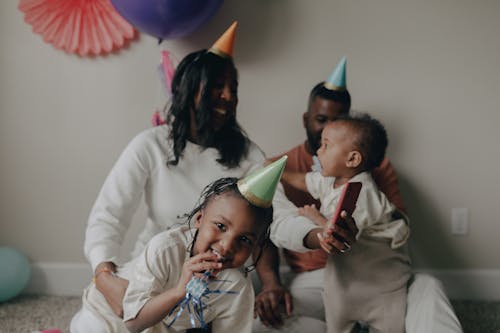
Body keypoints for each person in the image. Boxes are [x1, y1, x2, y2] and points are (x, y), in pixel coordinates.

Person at [82, 21, 358, 330]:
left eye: (233, 89)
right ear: (187, 91)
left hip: (222, 274)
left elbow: (277, 219)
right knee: (95, 326)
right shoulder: (150, 145)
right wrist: (104, 276)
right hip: (157, 269)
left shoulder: (249, 156)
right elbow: (108, 216)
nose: (228, 96)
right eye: (217, 87)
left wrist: (318, 236)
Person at [259, 58, 463, 332]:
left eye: (338, 122)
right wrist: (269, 170)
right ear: (306, 119)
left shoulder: (367, 182)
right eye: (322, 120)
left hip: (376, 273)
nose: (326, 132)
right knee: (268, 321)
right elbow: (302, 183)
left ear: (354, 154)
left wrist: (313, 216)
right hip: (320, 278)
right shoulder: (304, 168)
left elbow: (356, 228)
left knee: (427, 288)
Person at [71, 160, 283, 332]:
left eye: (245, 240)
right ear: (199, 219)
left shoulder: (237, 286)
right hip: (111, 316)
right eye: (220, 226)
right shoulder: (165, 249)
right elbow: (133, 323)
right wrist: (180, 291)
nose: (227, 246)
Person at [282, 114, 412, 332]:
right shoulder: (331, 178)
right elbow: (303, 181)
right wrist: (277, 171)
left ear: (352, 159)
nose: (318, 151)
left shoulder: (362, 193)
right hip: (345, 278)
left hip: (381, 279)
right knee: (337, 309)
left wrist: (314, 217)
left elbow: (339, 233)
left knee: (389, 321)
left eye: (326, 145)